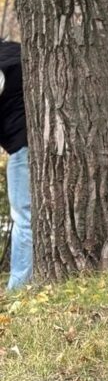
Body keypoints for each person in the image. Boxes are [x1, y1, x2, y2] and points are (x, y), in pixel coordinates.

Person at [0, 40, 32, 291]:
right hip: (36, 143)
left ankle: (19, 287)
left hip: (23, 147)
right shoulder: (18, 51)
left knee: (24, 217)